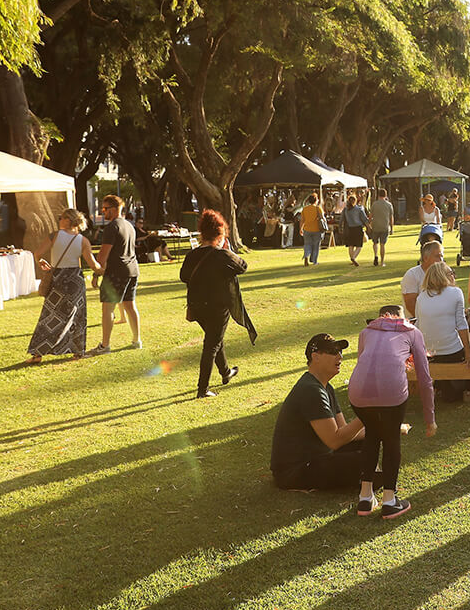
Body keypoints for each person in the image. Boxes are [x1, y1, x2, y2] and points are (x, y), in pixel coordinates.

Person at [347, 305, 434, 518]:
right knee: (391, 438)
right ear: (404, 318)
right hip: (392, 393)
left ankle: (365, 498)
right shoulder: (412, 332)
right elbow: (424, 378)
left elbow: (363, 363)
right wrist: (430, 418)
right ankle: (389, 499)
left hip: (358, 393)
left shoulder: (366, 332)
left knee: (372, 435)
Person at [271, 334, 373, 490]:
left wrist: (382, 429)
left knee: (369, 444)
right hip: (294, 471)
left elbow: (344, 431)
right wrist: (366, 415)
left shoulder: (325, 387)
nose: (340, 356)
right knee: (362, 460)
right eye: (333, 351)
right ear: (315, 357)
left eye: (340, 352)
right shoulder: (311, 390)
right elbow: (335, 440)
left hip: (316, 458)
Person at [180, 210, 248, 398]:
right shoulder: (223, 256)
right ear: (221, 234)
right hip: (218, 306)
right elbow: (243, 266)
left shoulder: (192, 255)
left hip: (197, 306)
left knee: (214, 338)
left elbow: (183, 276)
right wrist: (227, 249)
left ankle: (226, 372)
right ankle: (203, 389)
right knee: (211, 344)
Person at [26, 209, 101, 364]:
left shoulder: (54, 236)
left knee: (49, 316)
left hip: (58, 279)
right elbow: (93, 264)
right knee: (77, 316)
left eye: (61, 217)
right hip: (75, 280)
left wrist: (40, 261)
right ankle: (78, 352)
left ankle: (38, 353)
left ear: (68, 220)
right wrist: (103, 270)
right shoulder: (83, 240)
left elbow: (38, 253)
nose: (59, 220)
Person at [415, 262, 470, 403]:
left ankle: (439, 388)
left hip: (429, 354)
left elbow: (418, 325)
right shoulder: (455, 292)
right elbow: (461, 324)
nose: (453, 276)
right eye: (451, 273)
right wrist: (468, 351)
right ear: (444, 276)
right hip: (452, 353)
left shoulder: (421, 297)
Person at [89, 195, 141, 354]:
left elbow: (103, 255)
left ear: (114, 209)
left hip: (116, 272)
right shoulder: (129, 225)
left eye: (105, 209)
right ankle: (136, 340)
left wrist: (96, 274)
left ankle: (105, 345)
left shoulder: (112, 227)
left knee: (108, 309)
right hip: (132, 270)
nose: (103, 212)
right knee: (130, 305)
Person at [400, 240, 445, 318]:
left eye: (442, 256)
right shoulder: (412, 275)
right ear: (425, 258)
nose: (441, 260)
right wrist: (426, 321)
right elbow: (410, 304)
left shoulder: (444, 274)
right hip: (417, 322)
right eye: (437, 256)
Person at [341, 193, 370, 266]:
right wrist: (368, 227)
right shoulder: (359, 209)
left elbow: (342, 219)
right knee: (359, 246)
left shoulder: (345, 210)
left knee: (351, 245)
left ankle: (352, 258)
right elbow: (364, 219)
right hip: (358, 228)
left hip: (350, 228)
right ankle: (353, 258)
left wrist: (340, 227)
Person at [369, 188, 394, 267]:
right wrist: (392, 228)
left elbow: (370, 216)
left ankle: (376, 255)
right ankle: (382, 262)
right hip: (385, 226)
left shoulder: (374, 204)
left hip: (375, 226)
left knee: (375, 242)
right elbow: (391, 217)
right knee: (382, 244)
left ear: (378, 195)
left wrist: (370, 224)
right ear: (385, 195)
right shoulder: (389, 205)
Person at [300, 193, 326, 266]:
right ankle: (314, 261)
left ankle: (306, 256)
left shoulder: (305, 209)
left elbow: (302, 220)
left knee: (307, 244)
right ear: (316, 200)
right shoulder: (318, 208)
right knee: (316, 246)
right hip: (316, 229)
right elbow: (322, 218)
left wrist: (301, 229)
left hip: (307, 229)